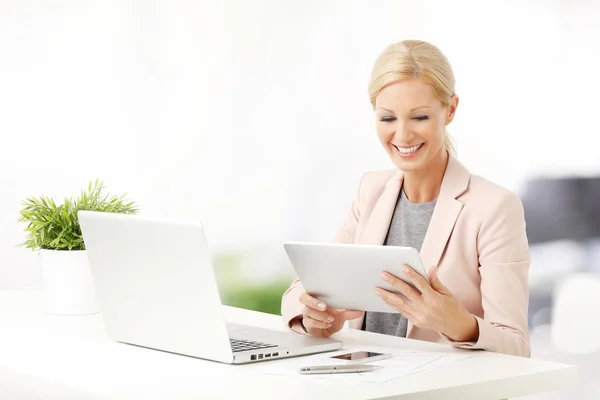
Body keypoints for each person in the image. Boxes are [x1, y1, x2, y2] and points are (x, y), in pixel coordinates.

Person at [280, 39, 531, 357]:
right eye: (387, 119)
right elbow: (302, 288)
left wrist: (460, 324)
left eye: (420, 117)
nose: (402, 135)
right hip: (365, 383)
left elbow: (517, 348)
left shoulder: (494, 207)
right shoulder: (371, 190)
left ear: (450, 109)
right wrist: (314, 317)